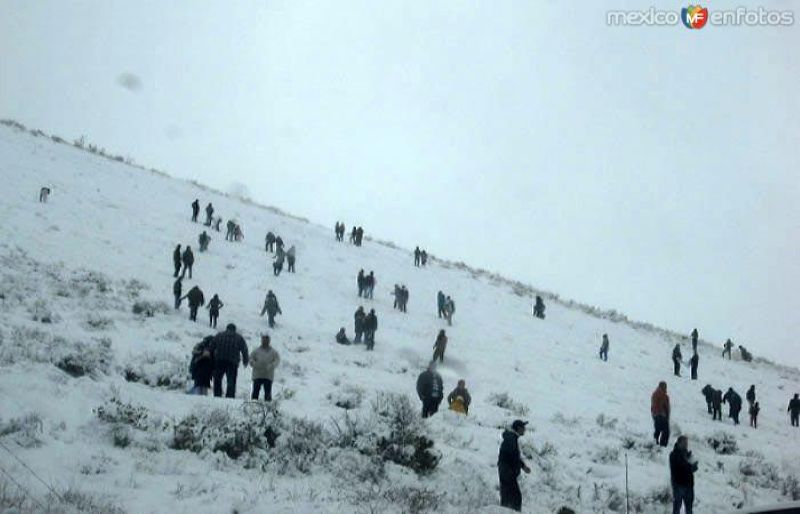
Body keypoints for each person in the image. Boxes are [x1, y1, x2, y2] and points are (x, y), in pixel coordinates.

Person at [498, 419, 531, 512]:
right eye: (523, 428)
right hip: (507, 472)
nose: (525, 430)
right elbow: (512, 456)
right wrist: (514, 469)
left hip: (507, 472)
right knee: (515, 498)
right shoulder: (511, 439)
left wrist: (523, 467)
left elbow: (514, 456)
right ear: (519, 428)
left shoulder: (511, 438)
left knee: (508, 497)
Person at [209, 323, 249, 398]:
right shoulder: (239, 338)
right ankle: (230, 396)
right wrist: (245, 360)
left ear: (226, 328)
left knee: (217, 379)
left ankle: (217, 395)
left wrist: (211, 358)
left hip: (219, 361)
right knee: (231, 381)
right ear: (234, 329)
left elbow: (211, 346)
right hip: (232, 363)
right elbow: (244, 350)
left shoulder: (219, 335)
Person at [669, 435, 698, 514]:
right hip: (678, 485)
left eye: (686, 443)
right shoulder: (673, 454)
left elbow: (693, 469)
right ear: (679, 443)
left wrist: (694, 465)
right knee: (676, 509)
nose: (686, 445)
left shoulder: (687, 454)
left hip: (689, 485)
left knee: (689, 509)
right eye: (684, 443)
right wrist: (689, 463)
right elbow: (680, 466)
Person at [250, 334, 280, 401]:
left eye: (266, 340)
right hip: (257, 375)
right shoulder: (256, 351)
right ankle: (253, 406)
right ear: (261, 340)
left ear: (269, 341)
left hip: (268, 375)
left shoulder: (273, 352)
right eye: (263, 340)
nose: (265, 341)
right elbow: (251, 359)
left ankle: (268, 408)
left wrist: (271, 366)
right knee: (255, 392)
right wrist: (254, 363)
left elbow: (277, 360)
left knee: (268, 394)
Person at [651, 381, 671, 447]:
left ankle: (655, 443)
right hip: (661, 415)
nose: (665, 388)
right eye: (664, 387)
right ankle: (662, 444)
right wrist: (663, 414)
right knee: (665, 431)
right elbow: (663, 406)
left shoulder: (656, 394)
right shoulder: (662, 395)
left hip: (657, 415)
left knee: (658, 430)